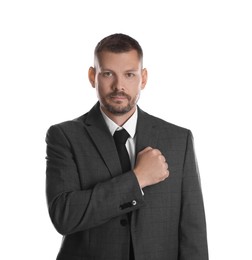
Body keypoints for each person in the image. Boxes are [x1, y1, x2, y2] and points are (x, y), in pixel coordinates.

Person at [45, 33, 209, 260]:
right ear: (93, 76)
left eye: (129, 75)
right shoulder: (64, 136)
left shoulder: (179, 139)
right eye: (108, 74)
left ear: (143, 78)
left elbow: (193, 232)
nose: (119, 86)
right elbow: (64, 216)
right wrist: (137, 179)